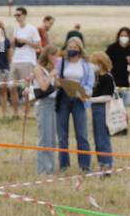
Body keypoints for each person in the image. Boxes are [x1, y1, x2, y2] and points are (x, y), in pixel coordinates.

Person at [54, 38, 95, 173]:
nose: (72, 49)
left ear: (80, 49)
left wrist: (83, 94)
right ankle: (64, 166)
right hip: (64, 98)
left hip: (79, 100)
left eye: (75, 46)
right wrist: (59, 83)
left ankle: (85, 166)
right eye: (69, 46)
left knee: (82, 134)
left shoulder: (87, 65)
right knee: (62, 135)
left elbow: (89, 85)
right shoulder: (61, 62)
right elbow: (56, 79)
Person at [32, 45, 59, 175]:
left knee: (52, 139)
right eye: (55, 55)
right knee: (44, 139)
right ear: (49, 56)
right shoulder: (39, 69)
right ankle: (43, 170)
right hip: (44, 105)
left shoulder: (51, 70)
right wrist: (51, 76)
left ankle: (50, 168)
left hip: (53, 104)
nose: (57, 58)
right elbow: (43, 87)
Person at [88, 52, 116, 173]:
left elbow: (108, 97)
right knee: (97, 139)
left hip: (103, 109)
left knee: (103, 138)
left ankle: (107, 164)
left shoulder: (108, 78)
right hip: (95, 109)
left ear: (101, 63)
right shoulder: (96, 77)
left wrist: (91, 100)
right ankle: (102, 163)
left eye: (94, 63)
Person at [10, 7, 41, 102]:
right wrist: (13, 42)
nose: (17, 17)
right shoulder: (16, 29)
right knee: (12, 87)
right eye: (15, 15)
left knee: (27, 87)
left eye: (18, 15)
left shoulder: (32, 29)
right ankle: (15, 112)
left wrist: (26, 41)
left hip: (27, 61)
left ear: (24, 15)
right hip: (15, 60)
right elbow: (13, 46)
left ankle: (30, 108)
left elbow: (38, 45)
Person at [105, 27, 130, 101]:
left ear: (129, 37)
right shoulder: (112, 48)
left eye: (126, 36)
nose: (123, 37)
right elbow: (105, 60)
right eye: (122, 35)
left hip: (124, 81)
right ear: (118, 36)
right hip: (112, 80)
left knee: (123, 104)